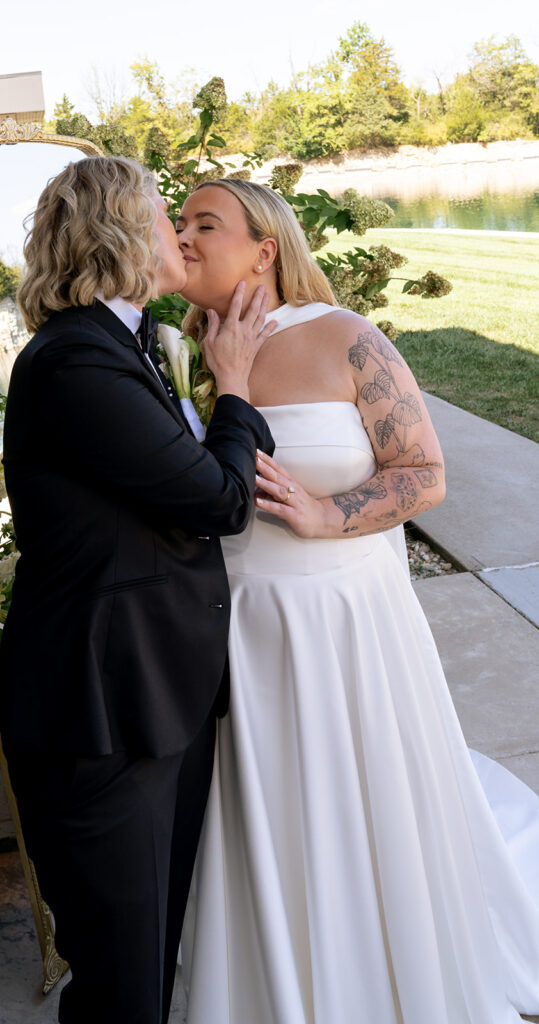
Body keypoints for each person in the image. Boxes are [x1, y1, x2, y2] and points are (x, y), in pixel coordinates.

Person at [175, 178, 539, 1023]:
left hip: (344, 620)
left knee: (360, 800)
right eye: (179, 222)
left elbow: (423, 474)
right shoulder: (190, 354)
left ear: (264, 250)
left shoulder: (345, 337)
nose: (183, 236)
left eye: (205, 223)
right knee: (271, 807)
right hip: (243, 624)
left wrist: (324, 513)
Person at [0, 157, 278, 1024]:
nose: (179, 234)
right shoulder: (75, 362)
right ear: (117, 232)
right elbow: (217, 501)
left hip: (153, 700)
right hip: (99, 719)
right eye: (163, 214)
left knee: (146, 966)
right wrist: (234, 385)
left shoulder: (129, 343)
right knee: (122, 983)